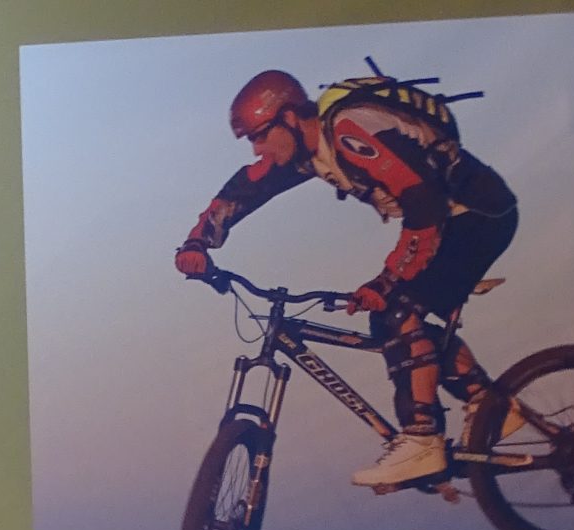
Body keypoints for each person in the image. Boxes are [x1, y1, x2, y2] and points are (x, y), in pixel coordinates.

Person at [177, 67, 519, 490]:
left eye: (260, 136)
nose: (257, 149)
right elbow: (244, 190)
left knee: (397, 311)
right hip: (452, 222)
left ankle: (422, 440)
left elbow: (423, 203)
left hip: (477, 216)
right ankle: (491, 407)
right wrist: (197, 244)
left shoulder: (347, 131)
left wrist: (387, 280)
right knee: (396, 323)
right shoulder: (305, 152)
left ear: (288, 117)